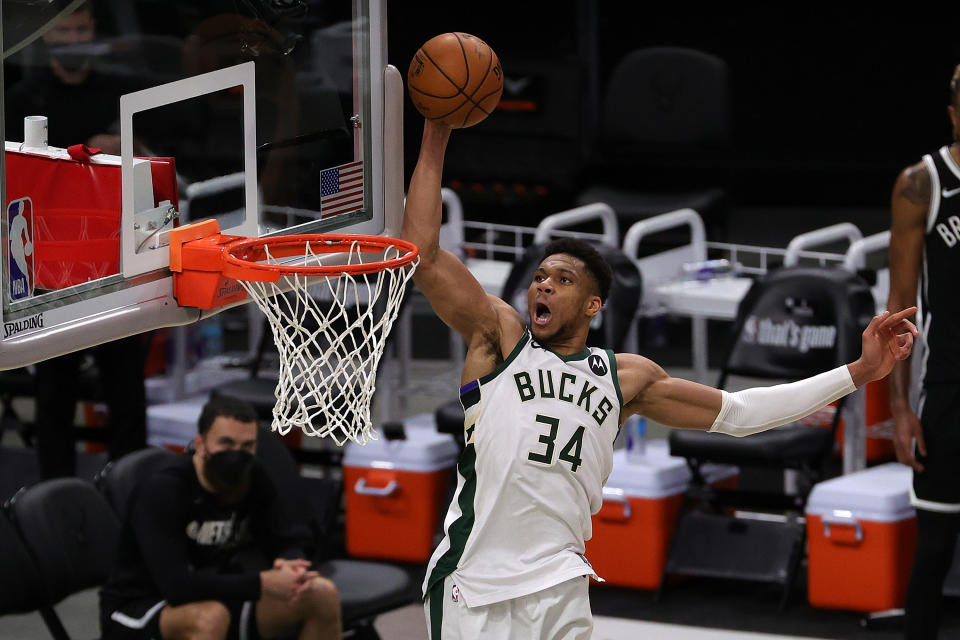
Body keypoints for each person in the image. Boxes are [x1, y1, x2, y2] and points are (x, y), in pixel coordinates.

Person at [403, 119, 918, 639]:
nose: (544, 286)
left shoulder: (625, 378)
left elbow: (741, 414)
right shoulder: (500, 341)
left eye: (563, 280)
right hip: (472, 584)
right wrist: (437, 133)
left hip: (559, 583)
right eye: (539, 277)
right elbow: (422, 254)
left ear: (593, 305)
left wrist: (859, 372)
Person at [4, 1, 153, 478]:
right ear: (47, 34)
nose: (72, 38)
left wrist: (122, 150)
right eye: (63, 29)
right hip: (51, 267)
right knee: (54, 395)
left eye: (81, 27)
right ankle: (54, 501)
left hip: (114, 260)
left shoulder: (119, 94)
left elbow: (151, 163)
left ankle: (129, 494)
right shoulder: (21, 97)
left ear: (94, 29)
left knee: (126, 391)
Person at [99, 395, 341, 639]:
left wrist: (291, 564)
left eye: (247, 446)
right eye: (226, 443)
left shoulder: (252, 476)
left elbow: (284, 538)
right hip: (141, 607)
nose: (237, 455)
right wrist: (262, 583)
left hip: (216, 595)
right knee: (210, 617)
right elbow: (177, 586)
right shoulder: (163, 490)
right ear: (201, 444)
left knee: (320, 594)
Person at [887, 63, 960, 640]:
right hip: (949, 389)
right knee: (934, 546)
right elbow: (899, 305)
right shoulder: (923, 182)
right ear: (954, 113)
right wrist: (900, 408)